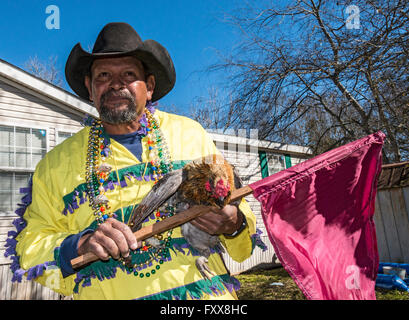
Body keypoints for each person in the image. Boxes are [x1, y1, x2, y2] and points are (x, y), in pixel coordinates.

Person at [7, 22, 261, 300]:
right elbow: (29, 246)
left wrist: (233, 222)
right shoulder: (55, 164)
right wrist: (81, 244)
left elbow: (240, 210)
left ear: (149, 87)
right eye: (103, 75)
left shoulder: (190, 134)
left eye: (128, 74)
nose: (116, 84)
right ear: (90, 88)